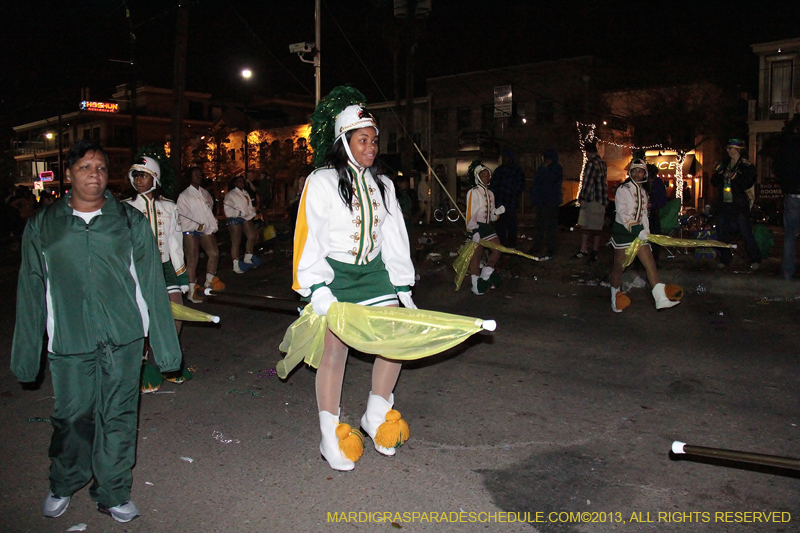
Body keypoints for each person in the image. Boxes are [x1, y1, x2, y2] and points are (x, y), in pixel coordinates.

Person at [11, 140, 182, 523]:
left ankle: (113, 490)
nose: (95, 174)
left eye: (101, 168)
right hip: (69, 341)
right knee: (72, 417)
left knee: (119, 416)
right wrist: (26, 354)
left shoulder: (128, 220)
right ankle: (64, 480)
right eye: (86, 167)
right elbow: (31, 289)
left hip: (123, 338)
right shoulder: (44, 223)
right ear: (69, 174)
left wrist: (165, 346)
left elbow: (152, 284)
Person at [293, 87, 416, 471]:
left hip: (375, 275)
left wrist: (402, 284)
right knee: (335, 352)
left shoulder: (384, 184)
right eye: (363, 139)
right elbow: (307, 236)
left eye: (374, 140)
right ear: (344, 142)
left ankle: (376, 414)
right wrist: (317, 288)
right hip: (335, 275)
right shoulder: (322, 181)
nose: (371, 147)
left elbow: (395, 237)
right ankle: (330, 434)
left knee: (393, 342)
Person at [124, 156, 192, 391]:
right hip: (138, 268)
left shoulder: (170, 207)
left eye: (143, 175)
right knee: (141, 316)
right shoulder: (124, 208)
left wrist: (182, 275)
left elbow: (175, 243)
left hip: (164, 267)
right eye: (135, 176)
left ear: (155, 178)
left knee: (177, 310)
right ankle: (141, 364)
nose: (139, 180)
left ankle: (169, 360)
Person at [609, 159, 680, 312]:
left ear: (644, 174)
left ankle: (661, 299)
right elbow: (622, 214)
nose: (637, 173)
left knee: (650, 265)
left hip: (640, 234)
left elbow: (643, 216)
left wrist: (646, 233)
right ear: (630, 173)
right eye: (634, 170)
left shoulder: (643, 192)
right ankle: (615, 299)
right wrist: (637, 231)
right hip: (623, 234)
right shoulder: (623, 189)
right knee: (618, 268)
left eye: (640, 171)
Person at [177, 166, 225, 302]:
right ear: (189, 176)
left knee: (214, 253)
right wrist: (194, 225)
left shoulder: (205, 193)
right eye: (196, 174)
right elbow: (181, 215)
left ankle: (209, 280)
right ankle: (192, 290)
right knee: (192, 259)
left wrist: (211, 224)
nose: (199, 176)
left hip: (205, 229)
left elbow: (209, 211)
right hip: (190, 230)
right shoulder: (184, 195)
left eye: (200, 174)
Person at [711, 139, 761, 269]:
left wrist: (735, 177)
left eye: (730, 148)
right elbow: (714, 182)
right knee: (721, 231)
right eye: (727, 148)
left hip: (739, 204)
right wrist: (719, 173)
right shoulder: (725, 164)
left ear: (737, 150)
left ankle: (755, 259)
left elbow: (747, 183)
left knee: (745, 231)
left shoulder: (746, 166)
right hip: (724, 204)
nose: (728, 151)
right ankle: (725, 258)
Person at [466, 164, 505, 295]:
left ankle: (485, 276)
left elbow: (492, 217)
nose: (486, 177)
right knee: (476, 255)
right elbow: (470, 213)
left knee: (497, 249)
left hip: (487, 227)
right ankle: (475, 285)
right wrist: (473, 230)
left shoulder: (491, 194)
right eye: (483, 175)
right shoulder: (473, 192)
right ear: (477, 177)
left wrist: (497, 212)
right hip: (476, 226)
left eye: (488, 175)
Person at [774, 116, 800, 280]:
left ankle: (788, 272)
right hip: (792, 192)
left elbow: (779, 168)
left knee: (790, 235)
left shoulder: (788, 146)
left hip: (793, 194)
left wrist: (786, 187)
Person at [574, 141, 607, 262]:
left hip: (593, 199)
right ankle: (593, 250)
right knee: (596, 227)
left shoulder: (592, 163)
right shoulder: (602, 163)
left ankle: (587, 250)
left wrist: (582, 197)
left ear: (587, 152)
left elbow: (587, 181)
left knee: (587, 226)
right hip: (601, 198)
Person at [529, 149, 563, 259]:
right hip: (541, 202)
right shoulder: (541, 169)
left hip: (551, 202)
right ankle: (537, 245)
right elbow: (536, 184)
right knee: (539, 226)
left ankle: (551, 248)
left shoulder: (556, 169)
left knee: (550, 227)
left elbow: (552, 180)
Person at [224, 175, 260, 274]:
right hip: (234, 219)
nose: (241, 184)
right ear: (235, 183)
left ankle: (248, 256)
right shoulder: (230, 194)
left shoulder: (245, 193)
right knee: (236, 241)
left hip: (245, 217)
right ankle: (236, 264)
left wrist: (252, 213)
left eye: (242, 182)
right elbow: (227, 208)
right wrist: (237, 213)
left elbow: (249, 206)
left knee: (252, 235)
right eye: (239, 182)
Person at [489, 149, 525, 248]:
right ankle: (501, 245)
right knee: (500, 226)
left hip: (510, 203)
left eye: (507, 158)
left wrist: (513, 195)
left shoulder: (516, 170)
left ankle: (511, 246)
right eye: (504, 158)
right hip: (499, 203)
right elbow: (493, 186)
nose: (505, 160)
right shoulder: (499, 170)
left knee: (511, 226)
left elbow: (520, 186)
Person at [645, 163, 667, 266]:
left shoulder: (657, 183)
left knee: (654, 236)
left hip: (653, 214)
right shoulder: (643, 183)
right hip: (643, 214)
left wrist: (652, 205)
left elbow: (662, 200)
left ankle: (654, 259)